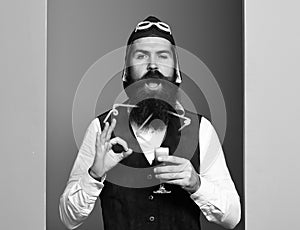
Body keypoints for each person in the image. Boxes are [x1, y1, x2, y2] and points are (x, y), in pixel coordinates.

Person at [59, 16, 241, 230]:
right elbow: (68, 218)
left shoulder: (201, 129)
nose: (153, 65)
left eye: (163, 56)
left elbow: (232, 218)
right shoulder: (103, 129)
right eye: (141, 56)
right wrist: (94, 174)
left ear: (176, 70)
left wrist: (196, 184)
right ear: (127, 71)